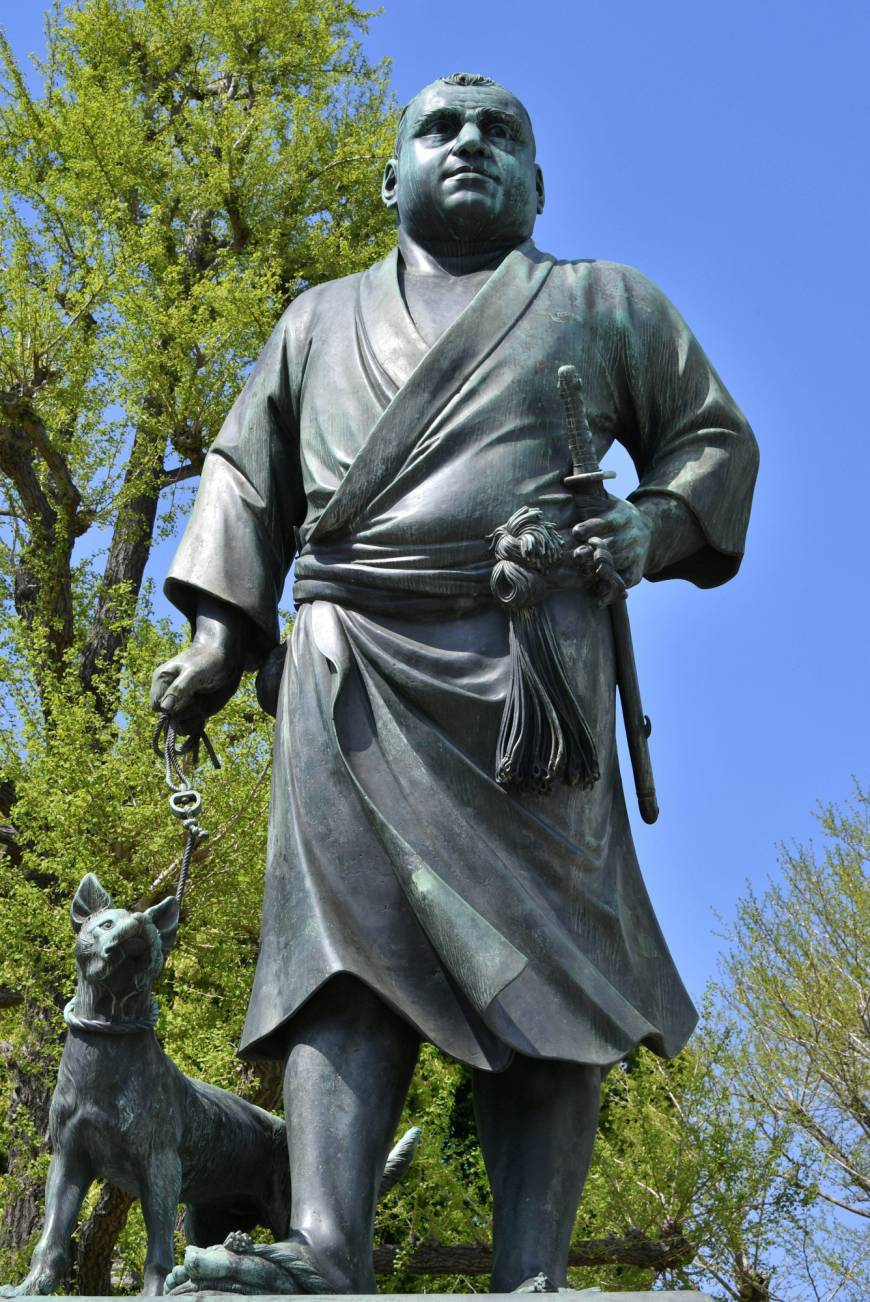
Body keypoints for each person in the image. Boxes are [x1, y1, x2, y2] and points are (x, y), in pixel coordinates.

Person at [151, 72, 758, 1294]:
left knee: (555, 964)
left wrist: (652, 528)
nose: (471, 142)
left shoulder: (603, 305)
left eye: (503, 133)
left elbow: (714, 441)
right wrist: (225, 637)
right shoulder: (316, 322)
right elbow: (247, 476)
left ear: (541, 185)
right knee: (342, 950)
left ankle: (532, 1269)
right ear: (391, 180)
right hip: (349, 664)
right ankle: (327, 1246)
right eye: (441, 127)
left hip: (537, 670)